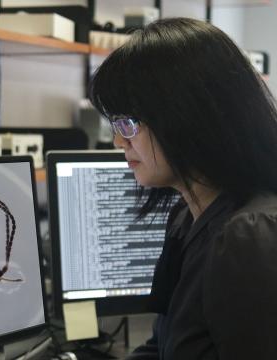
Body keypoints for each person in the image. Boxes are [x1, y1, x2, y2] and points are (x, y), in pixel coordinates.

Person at [88, 17, 277, 360]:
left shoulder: (248, 237)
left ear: (185, 118)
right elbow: (162, 346)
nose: (118, 141)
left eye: (128, 123)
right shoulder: (190, 216)